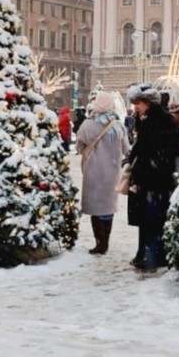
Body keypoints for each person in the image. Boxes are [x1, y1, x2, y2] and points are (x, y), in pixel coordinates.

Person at [125, 85, 179, 273]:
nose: (136, 107)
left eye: (139, 104)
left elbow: (172, 145)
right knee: (150, 218)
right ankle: (147, 253)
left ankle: (151, 256)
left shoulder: (157, 121)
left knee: (152, 219)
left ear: (148, 103)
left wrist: (154, 163)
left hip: (154, 179)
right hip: (152, 178)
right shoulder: (149, 119)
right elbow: (142, 145)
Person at [75, 91, 130, 255]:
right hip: (112, 172)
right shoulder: (118, 125)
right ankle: (105, 241)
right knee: (107, 208)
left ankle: (99, 243)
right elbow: (127, 148)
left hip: (93, 173)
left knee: (96, 209)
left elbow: (79, 147)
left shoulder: (87, 124)